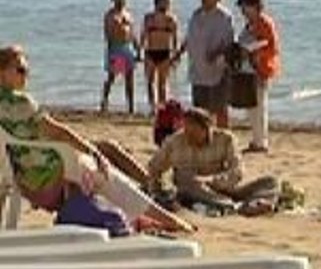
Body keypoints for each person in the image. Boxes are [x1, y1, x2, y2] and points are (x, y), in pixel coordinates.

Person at [0, 45, 193, 233]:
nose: (26, 75)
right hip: (46, 174)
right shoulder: (21, 102)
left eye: (26, 70)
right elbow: (59, 132)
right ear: (2, 73)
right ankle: (164, 216)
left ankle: (148, 196)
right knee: (106, 172)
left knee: (106, 149)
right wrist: (92, 152)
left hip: (23, 174)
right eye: (20, 70)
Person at [147, 107, 279, 217]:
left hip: (222, 186)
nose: (189, 136)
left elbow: (237, 171)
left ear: (207, 128)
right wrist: (157, 191)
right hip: (191, 190)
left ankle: (255, 204)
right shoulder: (174, 142)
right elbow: (154, 167)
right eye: (186, 131)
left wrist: (213, 181)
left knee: (271, 181)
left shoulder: (226, 139)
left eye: (193, 132)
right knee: (188, 182)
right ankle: (234, 208)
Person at [172, 0, 234, 129]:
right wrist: (178, 54)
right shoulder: (196, 15)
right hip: (197, 71)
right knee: (200, 110)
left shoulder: (224, 17)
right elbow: (189, 38)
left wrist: (216, 53)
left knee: (220, 108)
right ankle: (205, 139)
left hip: (217, 71)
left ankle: (223, 139)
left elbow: (229, 43)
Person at [235, 0, 281, 153]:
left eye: (245, 8)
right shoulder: (250, 24)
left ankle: (261, 142)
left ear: (254, 6)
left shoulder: (264, 22)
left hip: (260, 69)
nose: (243, 12)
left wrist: (253, 51)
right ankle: (256, 139)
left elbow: (271, 45)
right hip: (248, 69)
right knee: (252, 106)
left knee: (259, 106)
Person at [100, 0, 140, 115]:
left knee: (130, 78)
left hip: (127, 47)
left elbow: (133, 33)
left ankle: (131, 106)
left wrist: (137, 49)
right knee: (112, 77)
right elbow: (107, 34)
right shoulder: (110, 15)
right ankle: (104, 100)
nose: (122, 0)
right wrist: (111, 53)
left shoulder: (128, 14)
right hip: (116, 48)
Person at [140, 0, 179, 115]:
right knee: (150, 82)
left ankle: (162, 107)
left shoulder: (171, 19)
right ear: (156, 3)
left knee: (162, 83)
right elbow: (143, 35)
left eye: (167, 3)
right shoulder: (149, 18)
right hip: (151, 51)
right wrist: (140, 50)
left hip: (165, 52)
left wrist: (175, 54)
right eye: (164, 3)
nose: (166, 5)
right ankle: (152, 106)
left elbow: (175, 38)